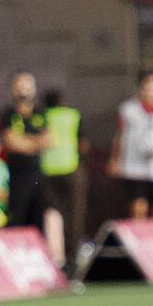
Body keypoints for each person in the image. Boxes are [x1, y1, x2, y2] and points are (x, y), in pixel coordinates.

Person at [0, 71, 64, 265]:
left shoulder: (41, 113)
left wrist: (26, 143)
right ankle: (15, 262)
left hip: (39, 175)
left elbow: (50, 141)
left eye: (28, 86)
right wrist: (34, 142)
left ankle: (51, 262)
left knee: (47, 214)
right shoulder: (8, 115)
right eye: (20, 86)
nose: (24, 90)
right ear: (12, 89)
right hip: (18, 176)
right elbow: (12, 143)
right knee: (17, 218)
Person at [110, 70, 153, 219]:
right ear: (141, 89)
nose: (151, 92)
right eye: (148, 88)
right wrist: (115, 159)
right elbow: (120, 135)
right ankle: (137, 236)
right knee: (139, 204)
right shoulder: (128, 110)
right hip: (134, 165)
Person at [41, 88, 87, 262]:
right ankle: (74, 254)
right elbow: (83, 143)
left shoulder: (43, 115)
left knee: (54, 214)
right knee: (75, 214)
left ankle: (55, 253)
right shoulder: (73, 115)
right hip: (71, 168)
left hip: (48, 170)